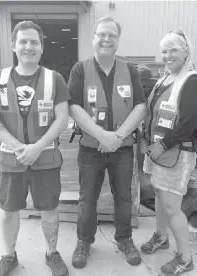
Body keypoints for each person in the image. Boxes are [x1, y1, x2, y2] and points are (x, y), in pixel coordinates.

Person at [0, 21, 70, 276]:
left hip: (45, 159)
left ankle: (52, 253)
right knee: (9, 210)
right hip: (10, 159)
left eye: (34, 42)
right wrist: (19, 147)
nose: (28, 46)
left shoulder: (54, 78)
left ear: (42, 47)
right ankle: (8, 256)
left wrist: (36, 147)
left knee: (49, 209)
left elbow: (62, 118)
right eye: (22, 41)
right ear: (13, 45)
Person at [68, 15, 146, 268]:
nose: (106, 39)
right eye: (102, 34)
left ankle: (124, 239)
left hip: (122, 149)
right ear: (93, 38)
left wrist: (118, 136)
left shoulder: (130, 70)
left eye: (112, 35)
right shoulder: (80, 69)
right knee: (87, 198)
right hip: (91, 149)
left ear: (118, 40)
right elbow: (74, 106)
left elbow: (140, 106)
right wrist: (102, 135)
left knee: (123, 197)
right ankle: (84, 241)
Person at [140, 30, 197, 276]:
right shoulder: (166, 78)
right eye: (164, 51)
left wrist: (164, 145)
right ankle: (161, 236)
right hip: (158, 150)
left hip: (175, 152)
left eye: (173, 50)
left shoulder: (192, 81)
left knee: (172, 206)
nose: (167, 56)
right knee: (158, 195)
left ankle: (185, 258)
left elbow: (188, 122)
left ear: (185, 51)